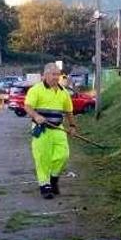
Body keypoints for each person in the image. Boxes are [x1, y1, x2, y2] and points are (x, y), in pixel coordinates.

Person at [24, 63, 78, 199]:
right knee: (42, 158)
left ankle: (53, 179)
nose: (56, 77)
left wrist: (72, 126)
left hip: (58, 128)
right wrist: (36, 116)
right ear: (45, 75)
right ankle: (45, 186)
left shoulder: (63, 92)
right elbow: (28, 107)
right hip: (41, 129)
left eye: (58, 75)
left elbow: (69, 111)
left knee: (63, 155)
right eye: (53, 74)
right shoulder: (36, 90)